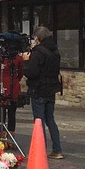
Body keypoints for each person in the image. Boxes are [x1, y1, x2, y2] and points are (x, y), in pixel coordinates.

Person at [23, 26, 64, 158]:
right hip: (51, 89)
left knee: (39, 121)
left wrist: (25, 62)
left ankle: (40, 150)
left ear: (37, 38)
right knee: (50, 119)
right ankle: (57, 149)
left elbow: (31, 72)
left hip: (39, 89)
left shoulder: (38, 53)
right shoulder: (55, 51)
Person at [0, 43, 24, 139]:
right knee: (8, 113)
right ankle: (6, 136)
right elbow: (20, 73)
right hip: (4, 87)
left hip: (7, 87)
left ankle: (6, 135)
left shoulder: (1, 58)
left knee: (6, 113)